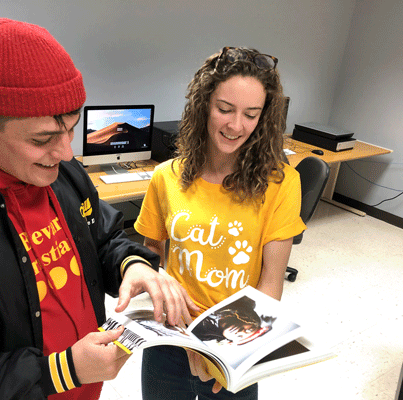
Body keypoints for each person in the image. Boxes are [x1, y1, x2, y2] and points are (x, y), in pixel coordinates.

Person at [0, 18, 197, 400]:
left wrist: (133, 264)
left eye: (71, 129)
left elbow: (103, 236)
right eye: (42, 138)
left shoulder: (58, 171)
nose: (64, 152)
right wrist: (62, 371)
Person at [134, 47, 307, 399]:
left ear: (264, 118)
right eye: (224, 109)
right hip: (171, 337)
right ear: (203, 107)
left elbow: (271, 284)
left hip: (237, 343)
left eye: (251, 114)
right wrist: (163, 289)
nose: (235, 125)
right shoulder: (166, 176)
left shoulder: (281, 183)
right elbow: (151, 258)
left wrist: (222, 350)